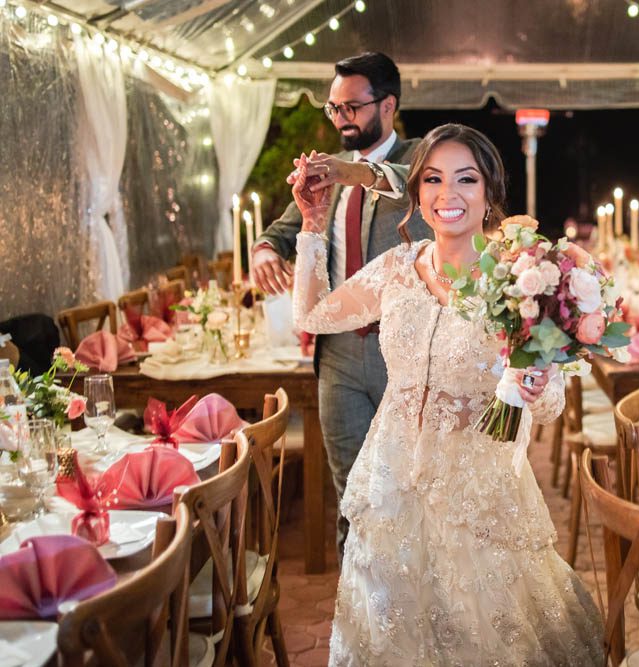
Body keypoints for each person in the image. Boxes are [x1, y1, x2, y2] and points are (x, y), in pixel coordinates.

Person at [291, 124, 603, 664]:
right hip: (391, 487)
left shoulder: (521, 279)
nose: (447, 194)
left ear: (489, 193)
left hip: (477, 496)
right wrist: (312, 226)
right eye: (433, 179)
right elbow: (312, 315)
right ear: (416, 193)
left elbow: (551, 404)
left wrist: (535, 385)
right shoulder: (396, 268)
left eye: (466, 179)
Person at [252, 52, 432, 555]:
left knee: (410, 490)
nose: (340, 118)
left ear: (388, 104)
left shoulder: (422, 158)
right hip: (338, 358)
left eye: (351, 107)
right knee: (351, 493)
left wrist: (352, 172)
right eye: (333, 108)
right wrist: (264, 250)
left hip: (405, 354)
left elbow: (402, 178)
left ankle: (410, 597)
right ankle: (353, 600)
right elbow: (283, 228)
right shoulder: (327, 173)